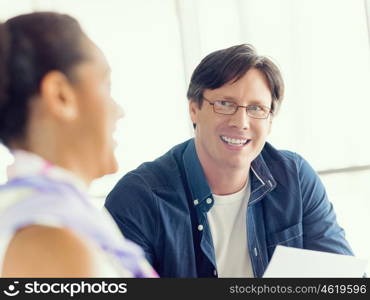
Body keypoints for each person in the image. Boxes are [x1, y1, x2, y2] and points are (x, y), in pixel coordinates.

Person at [105, 44, 354, 278]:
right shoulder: (138, 197)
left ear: (269, 120)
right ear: (194, 109)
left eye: (256, 108)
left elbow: (341, 281)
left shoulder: (295, 177)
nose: (241, 122)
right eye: (225, 104)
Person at [0, 12, 157, 277]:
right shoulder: (49, 240)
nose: (118, 110)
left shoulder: (60, 218)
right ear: (61, 96)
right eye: (106, 84)